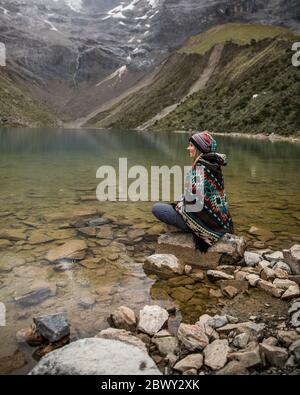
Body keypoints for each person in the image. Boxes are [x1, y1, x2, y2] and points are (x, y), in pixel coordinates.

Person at [152, 131, 234, 252]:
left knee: (157, 208)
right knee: (180, 198)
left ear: (199, 148)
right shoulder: (213, 165)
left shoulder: (200, 170)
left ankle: (198, 230)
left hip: (206, 225)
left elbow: (194, 207)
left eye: (191, 145)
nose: (188, 148)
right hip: (219, 221)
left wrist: (180, 204)